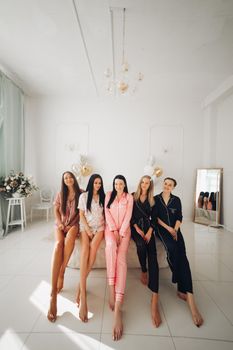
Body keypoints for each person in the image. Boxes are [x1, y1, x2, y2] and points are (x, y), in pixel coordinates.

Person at [153, 177, 203, 327]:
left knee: (183, 256)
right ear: (163, 185)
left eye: (170, 185)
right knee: (173, 249)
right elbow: (155, 219)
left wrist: (175, 229)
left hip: (175, 230)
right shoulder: (156, 199)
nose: (167, 186)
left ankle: (188, 296)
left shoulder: (177, 200)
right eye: (166, 184)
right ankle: (184, 291)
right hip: (162, 230)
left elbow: (179, 216)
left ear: (173, 187)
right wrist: (169, 229)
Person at [47, 171, 82, 322]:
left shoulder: (81, 193)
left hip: (74, 224)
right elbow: (55, 209)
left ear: (74, 179)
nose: (68, 179)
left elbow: (82, 212)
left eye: (70, 177)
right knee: (58, 245)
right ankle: (53, 295)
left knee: (69, 240)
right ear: (64, 180)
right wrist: (61, 223)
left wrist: (71, 224)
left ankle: (62, 272)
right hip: (60, 224)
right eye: (65, 178)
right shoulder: (60, 193)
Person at [105, 175, 133, 341]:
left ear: (124, 184)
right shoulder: (108, 195)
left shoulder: (129, 198)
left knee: (121, 259)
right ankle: (111, 291)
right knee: (110, 248)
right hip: (110, 230)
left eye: (121, 183)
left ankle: (118, 307)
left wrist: (121, 232)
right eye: (116, 183)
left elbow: (128, 216)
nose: (118, 185)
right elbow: (106, 213)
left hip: (125, 231)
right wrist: (114, 231)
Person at [131, 175, 161, 327]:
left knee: (153, 255)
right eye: (142, 182)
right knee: (141, 245)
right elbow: (130, 217)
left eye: (147, 183)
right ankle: (144, 270)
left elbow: (154, 219)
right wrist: (137, 229)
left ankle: (155, 297)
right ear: (140, 183)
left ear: (150, 185)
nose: (144, 184)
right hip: (136, 229)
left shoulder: (153, 200)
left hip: (148, 229)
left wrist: (150, 231)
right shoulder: (132, 196)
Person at [76, 174, 105, 322]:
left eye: (100, 183)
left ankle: (80, 289)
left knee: (92, 252)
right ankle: (83, 297)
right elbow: (81, 215)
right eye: (95, 182)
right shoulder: (83, 196)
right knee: (85, 252)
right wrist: (87, 230)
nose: (98, 185)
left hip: (100, 228)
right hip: (85, 227)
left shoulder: (104, 197)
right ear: (91, 183)